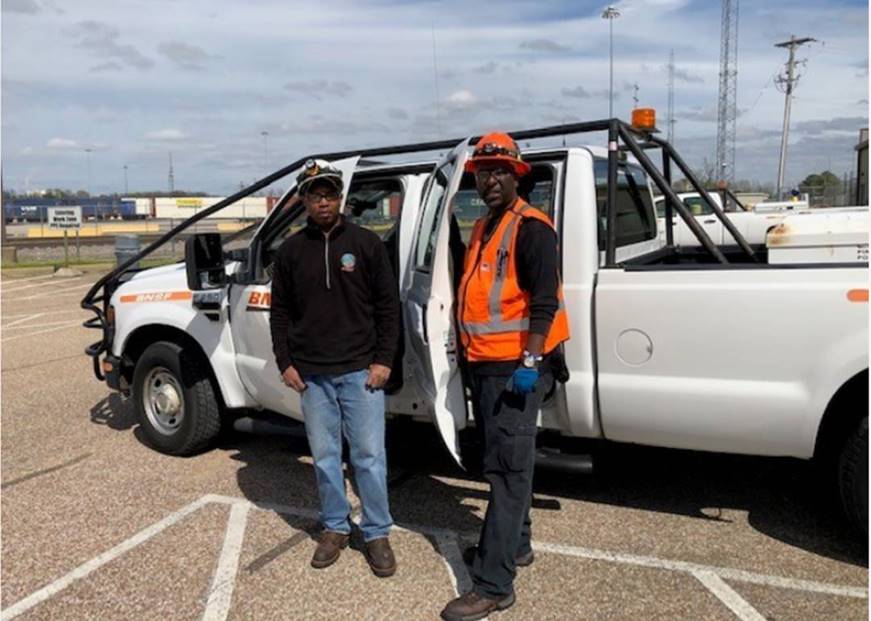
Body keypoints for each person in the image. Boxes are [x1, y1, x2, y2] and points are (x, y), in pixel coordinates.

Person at [441, 133, 570, 621]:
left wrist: (531, 363)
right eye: (482, 171)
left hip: (515, 368)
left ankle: (494, 585)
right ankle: (516, 546)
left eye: (499, 171)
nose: (489, 179)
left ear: (517, 177)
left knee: (507, 472)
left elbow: (544, 302)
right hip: (486, 365)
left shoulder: (532, 228)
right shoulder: (483, 226)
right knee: (512, 462)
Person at [269, 158, 400, 577]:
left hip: (360, 372)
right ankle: (335, 527)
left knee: (368, 456)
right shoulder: (289, 252)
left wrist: (383, 360)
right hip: (312, 376)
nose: (323, 202)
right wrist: (285, 363)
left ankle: (376, 532)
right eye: (314, 194)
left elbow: (387, 307)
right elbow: (280, 314)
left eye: (329, 194)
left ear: (340, 197)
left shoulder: (366, 243)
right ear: (303, 200)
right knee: (325, 457)